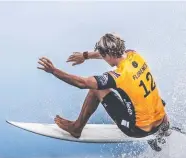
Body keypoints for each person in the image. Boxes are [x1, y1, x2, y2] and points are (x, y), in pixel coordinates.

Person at [37, 33, 170, 147]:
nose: (103, 58)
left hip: (138, 129)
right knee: (142, 92)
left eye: (103, 55)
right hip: (160, 121)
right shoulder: (135, 56)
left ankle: (76, 128)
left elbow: (82, 83)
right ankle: (164, 126)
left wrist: (54, 71)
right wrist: (85, 55)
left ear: (108, 54)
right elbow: (111, 52)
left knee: (96, 88)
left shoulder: (119, 76)